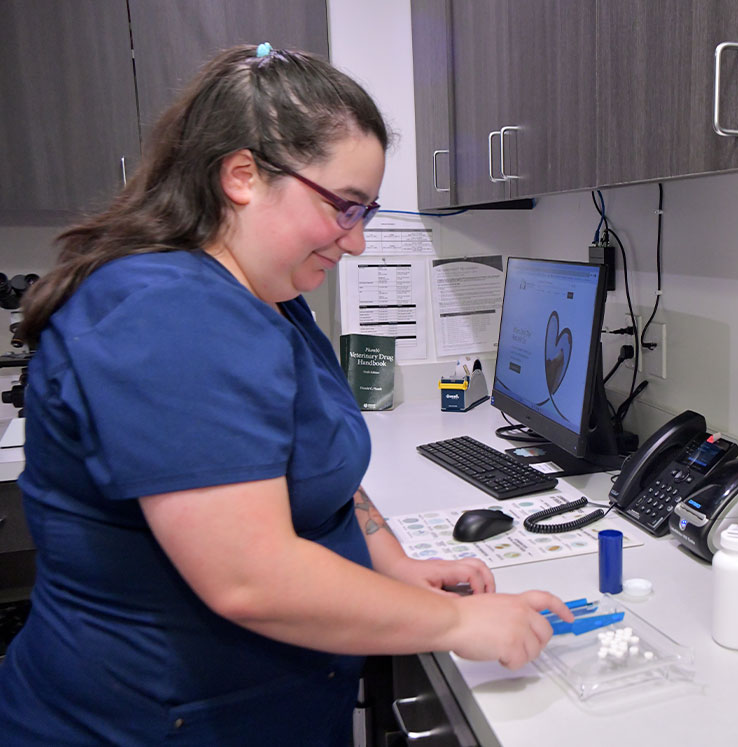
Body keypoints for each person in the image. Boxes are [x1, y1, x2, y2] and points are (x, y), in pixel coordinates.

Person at [0, 44, 572, 745]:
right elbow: (250, 577)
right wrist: (458, 623)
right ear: (242, 175)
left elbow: (318, 464)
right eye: (344, 208)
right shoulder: (167, 313)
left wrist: (394, 569)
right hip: (147, 722)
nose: (356, 242)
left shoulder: (271, 297)